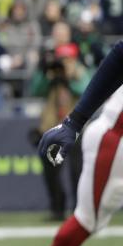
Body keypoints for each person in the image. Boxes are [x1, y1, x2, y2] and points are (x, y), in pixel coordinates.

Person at [14, 81, 123, 246]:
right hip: (115, 140)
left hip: (112, 135)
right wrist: (73, 122)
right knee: (88, 220)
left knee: (89, 219)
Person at [28, 42, 90, 221]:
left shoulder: (80, 72)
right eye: (61, 59)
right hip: (54, 128)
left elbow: (86, 89)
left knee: (77, 171)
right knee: (51, 172)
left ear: (74, 59)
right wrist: (43, 73)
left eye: (67, 59)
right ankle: (57, 208)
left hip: (77, 128)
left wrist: (69, 80)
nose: (63, 63)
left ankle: (79, 209)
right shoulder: (51, 74)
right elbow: (35, 90)